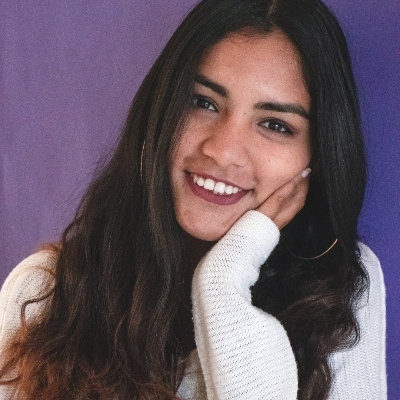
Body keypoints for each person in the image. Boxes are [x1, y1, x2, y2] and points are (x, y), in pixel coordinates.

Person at [0, 0, 386, 398]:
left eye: (275, 125)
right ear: (160, 110)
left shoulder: (341, 289)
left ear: (317, 157)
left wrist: (223, 284)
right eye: (203, 102)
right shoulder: (46, 290)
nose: (222, 151)